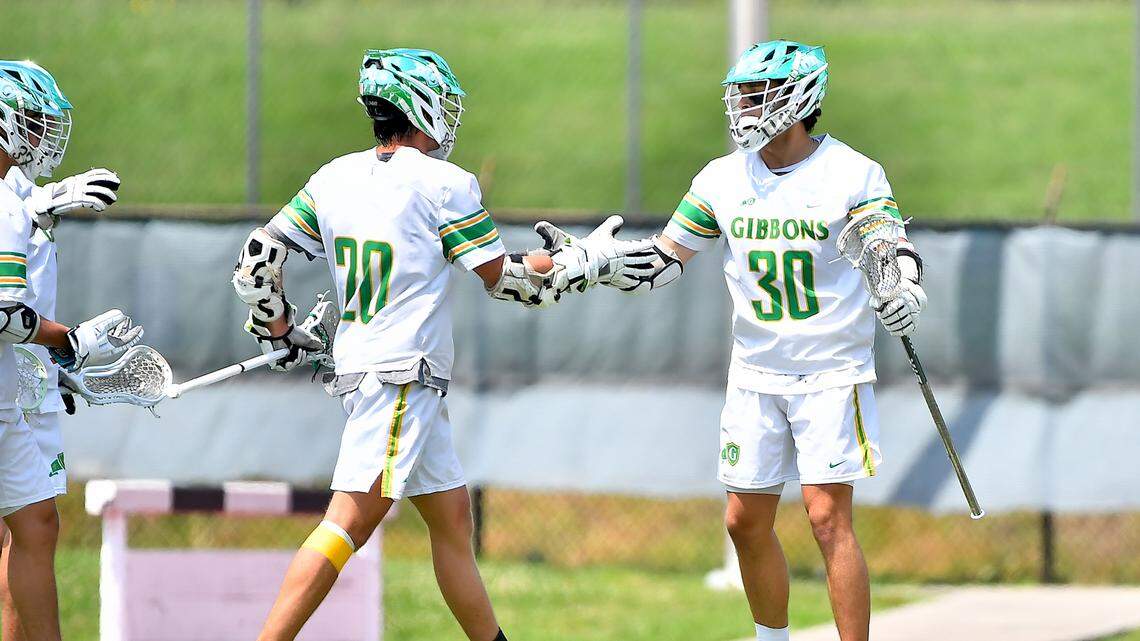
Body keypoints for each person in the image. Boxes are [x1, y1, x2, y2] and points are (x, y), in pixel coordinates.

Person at [230, 48, 648, 641]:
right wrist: (586, 262)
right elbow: (509, 281)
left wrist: (278, 327)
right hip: (402, 375)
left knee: (452, 518)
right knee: (347, 523)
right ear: (417, 105)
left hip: (373, 371)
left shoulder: (335, 176)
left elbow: (256, 262)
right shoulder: (444, 183)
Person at [542, 40, 927, 641]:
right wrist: (598, 264)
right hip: (754, 372)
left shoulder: (853, 173)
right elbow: (666, 260)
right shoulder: (722, 178)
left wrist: (902, 286)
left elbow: (890, 246)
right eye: (740, 94)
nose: (742, 107)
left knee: (827, 518)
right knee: (744, 522)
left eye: (754, 95)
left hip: (830, 371)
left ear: (797, 100)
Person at [0, 60, 141, 641]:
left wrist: (45, 371)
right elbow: (4, 314)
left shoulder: (17, 198)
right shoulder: (9, 205)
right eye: (32, 122)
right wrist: (70, 340)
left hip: (7, 397)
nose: (43, 136)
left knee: (35, 525)